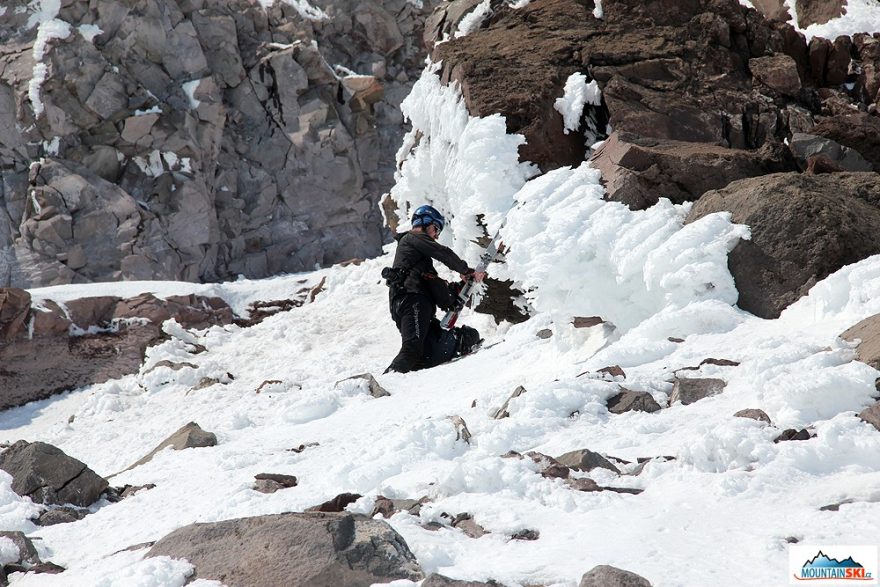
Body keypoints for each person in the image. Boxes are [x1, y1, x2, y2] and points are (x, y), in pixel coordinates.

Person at [385, 205, 486, 373]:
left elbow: (434, 285)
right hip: (411, 300)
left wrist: (460, 288)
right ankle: (381, 387)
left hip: (410, 302)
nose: (436, 235)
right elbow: (442, 252)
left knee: (426, 352)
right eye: (436, 229)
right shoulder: (412, 237)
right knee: (412, 349)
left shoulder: (418, 261)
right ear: (425, 223)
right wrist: (465, 270)